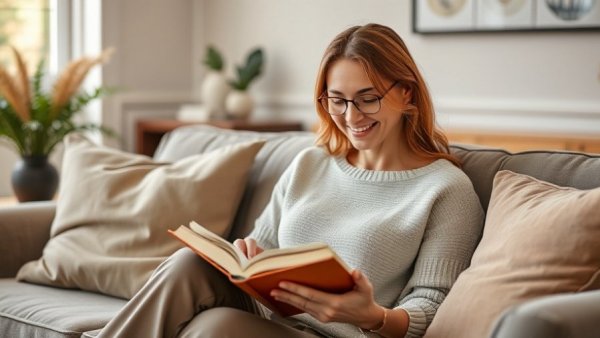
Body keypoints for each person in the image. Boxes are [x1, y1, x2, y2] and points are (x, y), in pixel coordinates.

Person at [97, 23, 483, 338]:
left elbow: (433, 308)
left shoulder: (446, 190)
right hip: (269, 317)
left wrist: (373, 316)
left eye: (368, 98)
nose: (351, 116)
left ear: (406, 93)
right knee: (187, 263)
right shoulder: (310, 163)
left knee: (216, 327)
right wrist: (249, 254)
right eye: (337, 100)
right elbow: (261, 247)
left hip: (342, 336)